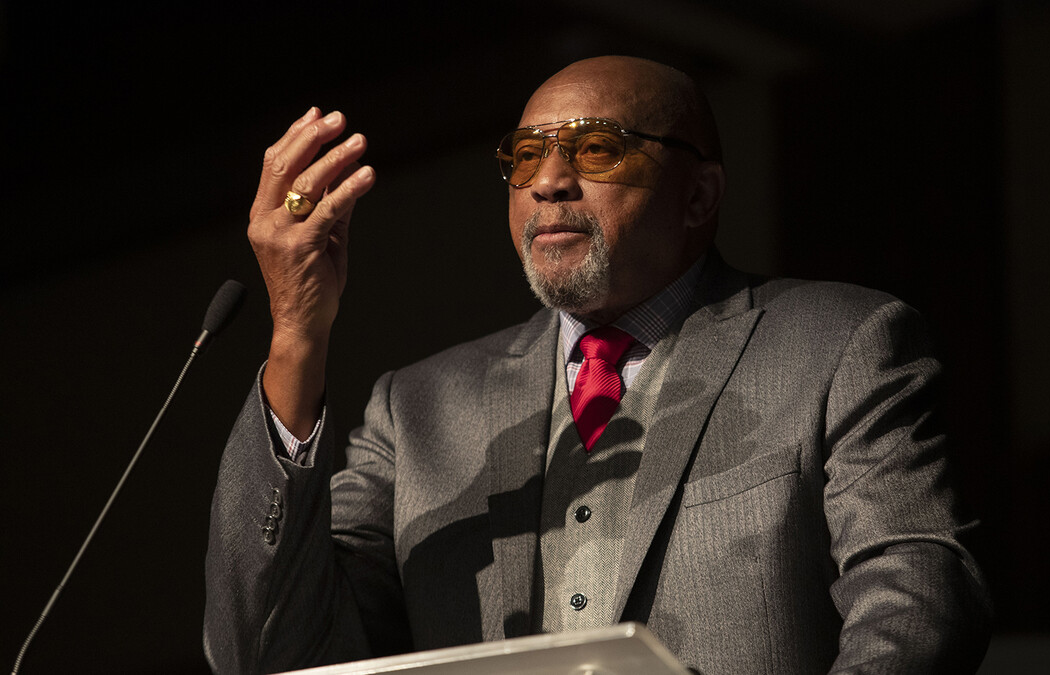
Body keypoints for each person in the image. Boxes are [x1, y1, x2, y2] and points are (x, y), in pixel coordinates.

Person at [204, 55, 992, 674]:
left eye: (595, 148)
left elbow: (916, 599)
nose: (548, 181)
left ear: (698, 195)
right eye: (526, 155)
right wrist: (297, 337)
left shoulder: (839, 341)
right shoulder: (418, 412)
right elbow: (270, 655)